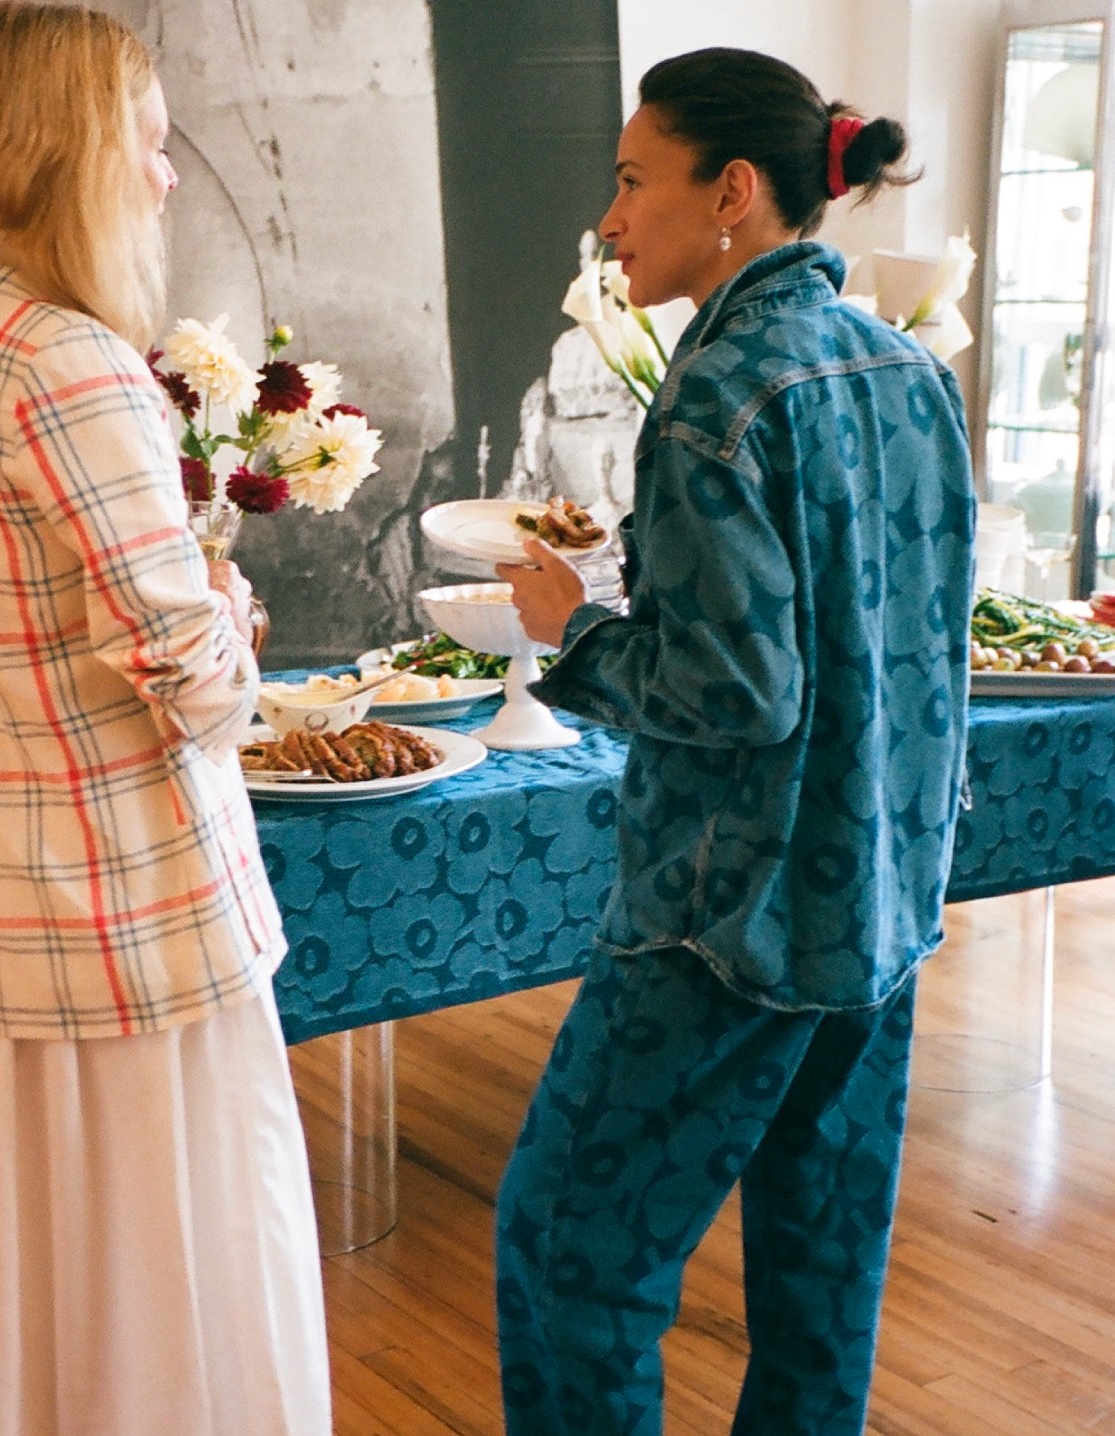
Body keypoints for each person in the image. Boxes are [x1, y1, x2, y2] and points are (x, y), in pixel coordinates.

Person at [492, 47, 975, 1436]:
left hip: (727, 917)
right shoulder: (907, 371)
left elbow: (735, 692)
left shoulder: (716, 398)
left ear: (737, 193)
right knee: (823, 1274)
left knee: (568, 1255)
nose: (612, 216)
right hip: (878, 902)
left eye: (637, 179)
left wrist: (570, 630)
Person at [0, 6, 330, 1433]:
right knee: (185, 1263)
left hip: (28, 879)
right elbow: (187, 670)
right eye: (147, 138)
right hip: (134, 894)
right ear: (76, 149)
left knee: (85, 1263)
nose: (169, 172)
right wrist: (235, 624)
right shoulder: (67, 361)